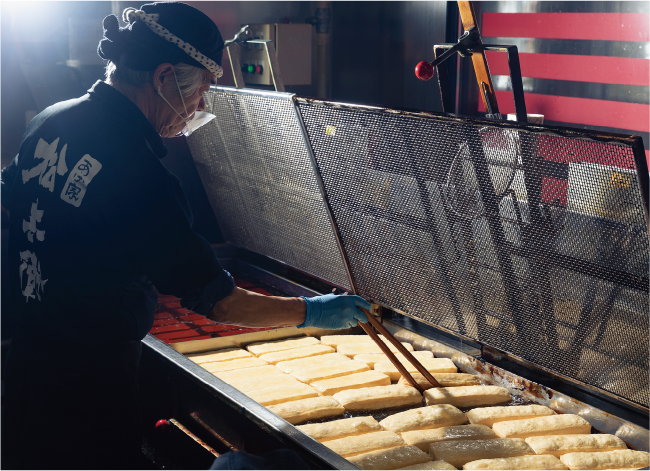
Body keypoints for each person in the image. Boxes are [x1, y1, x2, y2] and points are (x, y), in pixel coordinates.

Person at [0, 3, 369, 470]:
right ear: (163, 76)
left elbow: (9, 194)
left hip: (29, 365)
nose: (200, 106)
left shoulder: (51, 120)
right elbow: (219, 301)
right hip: (90, 384)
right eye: (203, 88)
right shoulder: (137, 171)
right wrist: (311, 311)